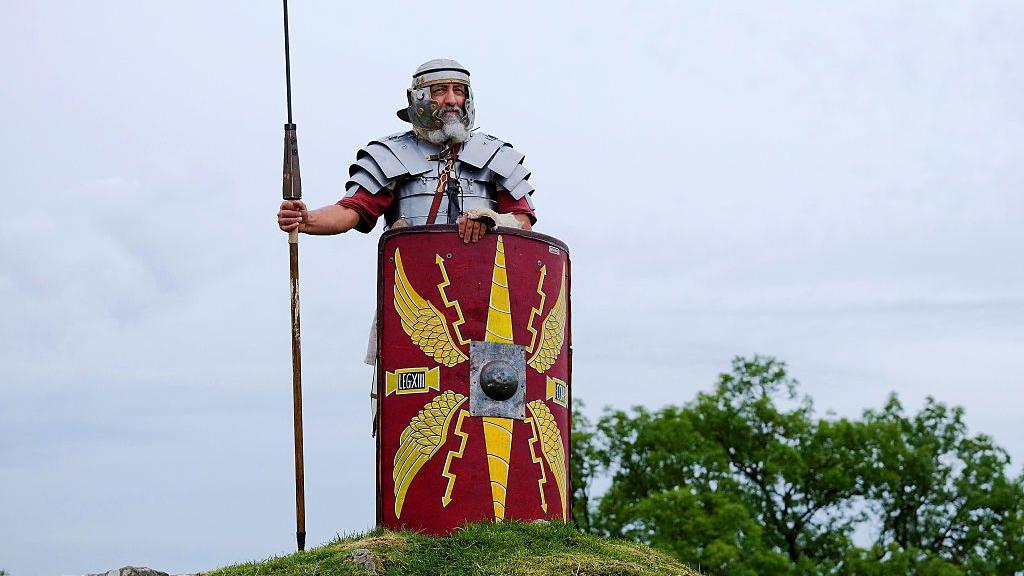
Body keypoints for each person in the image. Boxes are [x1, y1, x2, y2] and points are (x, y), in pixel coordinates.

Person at [277, 58, 536, 243]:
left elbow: (523, 222)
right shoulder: (392, 154)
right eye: (440, 91)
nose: (451, 100)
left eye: (458, 91)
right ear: (419, 98)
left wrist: (490, 219)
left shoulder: (495, 154)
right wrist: (306, 219)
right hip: (412, 292)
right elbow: (351, 211)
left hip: (484, 291)